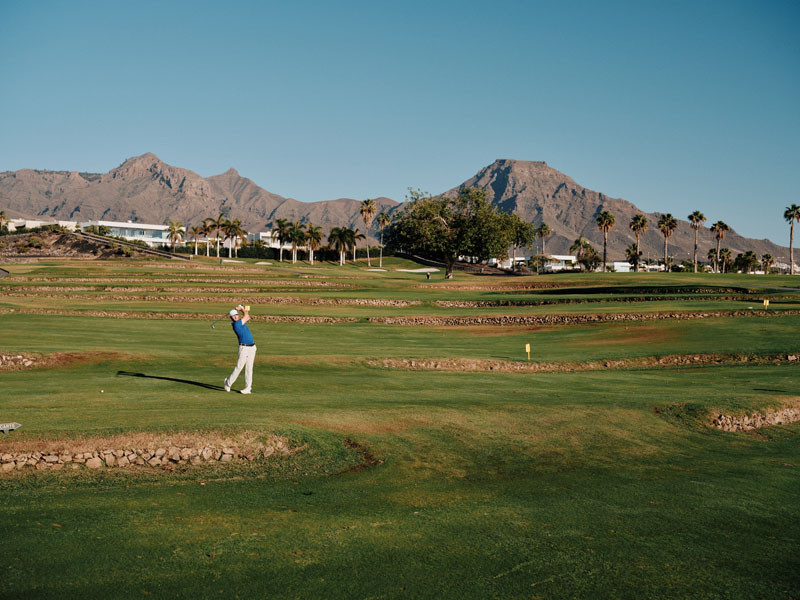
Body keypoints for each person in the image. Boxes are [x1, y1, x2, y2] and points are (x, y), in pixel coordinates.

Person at [224, 304, 256, 394]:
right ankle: (228, 383)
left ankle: (248, 388)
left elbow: (247, 317)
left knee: (249, 368)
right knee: (239, 367)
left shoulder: (240, 322)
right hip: (244, 348)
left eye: (236, 314)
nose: (235, 316)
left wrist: (242, 310)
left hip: (252, 347)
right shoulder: (236, 324)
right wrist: (241, 309)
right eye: (233, 316)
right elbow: (247, 316)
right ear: (231, 318)